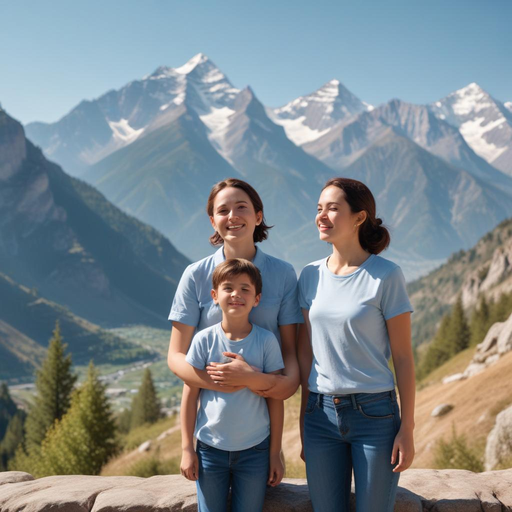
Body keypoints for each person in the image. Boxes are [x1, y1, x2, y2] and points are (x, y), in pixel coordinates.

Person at [298, 177, 416, 512]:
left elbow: (404, 358)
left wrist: (407, 428)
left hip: (375, 415)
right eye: (319, 208)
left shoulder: (386, 275)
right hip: (319, 416)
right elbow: (307, 353)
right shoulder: (309, 276)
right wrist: (304, 419)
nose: (322, 216)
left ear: (359, 217)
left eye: (333, 208)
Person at [167, 178, 302, 399]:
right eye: (223, 211)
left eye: (241, 207)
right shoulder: (195, 275)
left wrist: (258, 381)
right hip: (211, 415)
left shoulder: (283, 274)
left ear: (258, 216)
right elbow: (175, 355)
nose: (232, 216)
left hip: (264, 412)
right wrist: (224, 382)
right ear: (213, 221)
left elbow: (290, 355)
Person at [180, 258, 285, 512]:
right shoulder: (203, 340)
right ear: (215, 296)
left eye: (245, 289)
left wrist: (274, 454)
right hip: (209, 451)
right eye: (228, 288)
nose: (236, 294)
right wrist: (186, 449)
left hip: (255, 451)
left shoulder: (266, 342)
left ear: (256, 299)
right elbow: (189, 396)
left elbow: (275, 400)